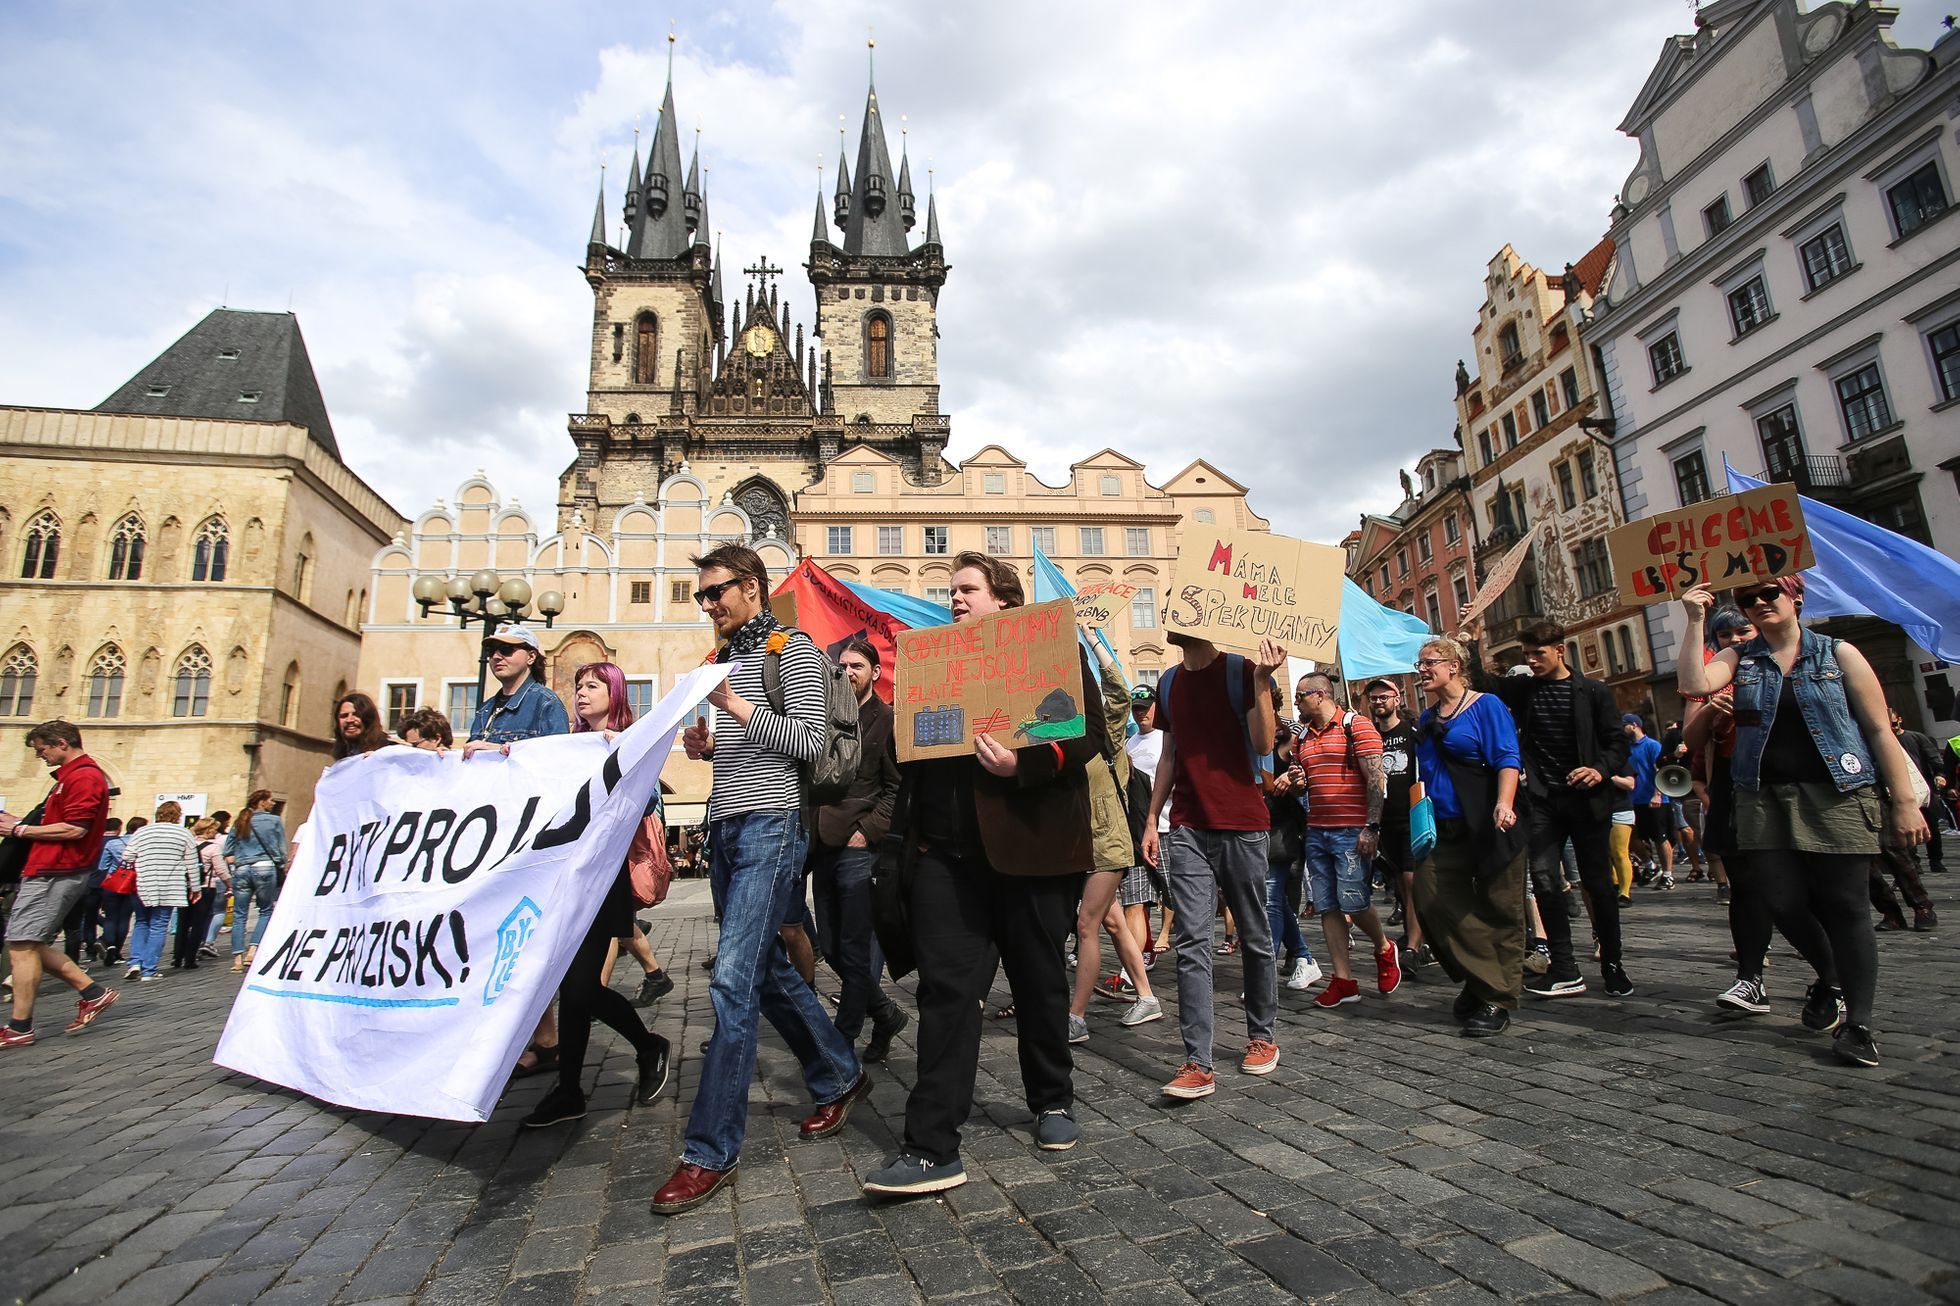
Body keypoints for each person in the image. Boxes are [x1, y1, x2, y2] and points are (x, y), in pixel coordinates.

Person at [860, 553, 1104, 1197]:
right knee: (946, 994)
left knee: (1039, 981)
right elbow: (911, 755)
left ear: (1005, 599)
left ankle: (1051, 1100)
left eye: (967, 589)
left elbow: (1087, 736)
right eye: (951, 591)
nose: (955, 599)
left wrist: (1020, 765)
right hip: (947, 858)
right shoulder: (932, 660)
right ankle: (932, 1145)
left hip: (1032, 854)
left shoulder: (1051, 651)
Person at [653, 544, 864, 1215]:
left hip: (775, 824)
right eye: (701, 595)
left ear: (751, 587)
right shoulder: (726, 661)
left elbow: (808, 743)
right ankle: (836, 1072)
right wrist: (712, 745)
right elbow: (754, 744)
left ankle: (708, 1151)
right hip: (728, 824)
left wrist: (734, 708)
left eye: (715, 592)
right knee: (766, 971)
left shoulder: (790, 647)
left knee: (731, 980)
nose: (708, 604)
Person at [1676, 576, 1929, 1067]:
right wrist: (1693, 619)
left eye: (1768, 594)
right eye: (1748, 600)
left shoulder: (1840, 654)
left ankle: (1858, 1024)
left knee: (1845, 906)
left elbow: (1878, 729)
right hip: (1762, 798)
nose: (1758, 604)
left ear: (1795, 598)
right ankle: (1830, 978)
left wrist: (1903, 801)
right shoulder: (1741, 659)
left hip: (1836, 794)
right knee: (1781, 901)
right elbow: (1692, 684)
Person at [524, 662, 673, 1127]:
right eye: (578, 687)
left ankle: (639, 1052)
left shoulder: (630, 740)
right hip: (562, 880)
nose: (581, 693)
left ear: (615, 692)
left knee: (580, 988)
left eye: (592, 686)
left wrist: (623, 761)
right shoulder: (566, 747)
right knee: (575, 988)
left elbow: (649, 802)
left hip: (602, 881)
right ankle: (573, 1087)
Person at [1142, 630, 1287, 1099]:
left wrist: (1263, 681)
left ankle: (1262, 1036)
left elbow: (1264, 744)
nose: (1168, 613)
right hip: (1186, 826)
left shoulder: (1240, 671)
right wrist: (1151, 820)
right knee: (1191, 943)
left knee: (1254, 933)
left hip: (1242, 824)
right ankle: (1197, 1062)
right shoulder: (1168, 682)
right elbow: (1169, 756)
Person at [1487, 623, 1633, 1000]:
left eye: (1539, 654)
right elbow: (1485, 682)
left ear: (1560, 650)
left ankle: (1613, 964)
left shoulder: (1594, 691)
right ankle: (1565, 968)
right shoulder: (1525, 690)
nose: (1532, 661)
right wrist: (1470, 641)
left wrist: (1599, 769)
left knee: (1598, 884)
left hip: (1587, 799)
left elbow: (1617, 744)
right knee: (1545, 878)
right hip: (1543, 800)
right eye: (1527, 655)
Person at [1410, 638, 1526, 1037]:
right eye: (1419, 663)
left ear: (1455, 666)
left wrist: (1505, 803)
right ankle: (1482, 978)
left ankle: (1497, 997)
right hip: (1440, 827)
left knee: (1501, 908)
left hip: (1490, 821)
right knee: (1429, 898)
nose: (1422, 669)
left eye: (1429, 662)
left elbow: (1507, 757)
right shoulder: (1427, 718)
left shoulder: (1485, 706)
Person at [807, 639, 910, 1062]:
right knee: (830, 946)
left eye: (856, 665)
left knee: (853, 948)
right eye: (841, 665)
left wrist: (867, 831)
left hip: (859, 846)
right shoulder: (822, 718)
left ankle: (841, 1041)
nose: (847, 671)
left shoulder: (886, 721)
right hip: (821, 844)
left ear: (874, 672)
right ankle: (885, 1015)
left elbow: (897, 786)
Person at [1068, 632, 1163, 1043]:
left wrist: (1093, 643)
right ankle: (1146, 996)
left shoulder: (1102, 731)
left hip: (1107, 839)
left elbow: (1120, 695)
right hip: (1077, 839)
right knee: (1110, 920)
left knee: (1086, 924)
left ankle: (1076, 1015)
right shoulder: (1054, 727)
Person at [1, 721, 118, 1048]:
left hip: (57, 869)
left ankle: (20, 1026)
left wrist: (20, 831)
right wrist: (20, 824)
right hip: (51, 867)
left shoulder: (83, 777)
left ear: (62, 743)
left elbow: (75, 829)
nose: (41, 756)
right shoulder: (71, 777)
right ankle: (93, 993)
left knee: (22, 944)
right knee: (27, 942)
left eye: (43, 749)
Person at [1291, 672, 1396, 1008]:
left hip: (1351, 830)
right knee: (1328, 906)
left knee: (1354, 901)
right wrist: (1297, 780)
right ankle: (1344, 980)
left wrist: (1372, 827)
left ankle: (1383, 946)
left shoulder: (1357, 726)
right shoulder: (1302, 737)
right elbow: (1305, 784)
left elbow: (1376, 779)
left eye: (1301, 695)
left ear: (1321, 695)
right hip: (1317, 830)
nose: (1297, 701)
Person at [1364, 679, 1428, 967]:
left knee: (1411, 879)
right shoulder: (1369, 735)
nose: (1378, 702)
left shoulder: (1413, 732)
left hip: (1412, 814)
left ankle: (1415, 946)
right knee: (1399, 883)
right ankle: (1413, 934)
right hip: (1382, 819)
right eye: (1374, 698)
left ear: (1397, 698)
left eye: (1384, 697)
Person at [1261, 693, 1320, 994]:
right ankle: (1302, 954)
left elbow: (1307, 780)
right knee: (1275, 901)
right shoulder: (1245, 734)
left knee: (1273, 897)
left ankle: (1265, 972)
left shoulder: (1293, 737)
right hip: (1252, 829)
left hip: (1283, 830)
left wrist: (1294, 780)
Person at [1871, 709, 1941, 930]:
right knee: (1863, 864)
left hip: (1877, 792)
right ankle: (1890, 912)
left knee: (1895, 852)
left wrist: (1903, 800)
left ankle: (1922, 906)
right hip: (1838, 795)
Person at [121, 801, 200, 982]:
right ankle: (149, 970)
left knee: (141, 922)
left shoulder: (143, 831)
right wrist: (195, 888)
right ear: (177, 815)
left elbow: (127, 856)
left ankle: (135, 962)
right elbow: (191, 864)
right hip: (169, 884)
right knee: (158, 925)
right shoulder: (184, 833)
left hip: (143, 882)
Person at [1123, 687, 1169, 965]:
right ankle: (1136, 964)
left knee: (1178, 897)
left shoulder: (1166, 739)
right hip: (1137, 832)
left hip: (1166, 828)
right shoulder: (1129, 744)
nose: (1140, 712)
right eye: (1136, 708)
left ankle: (1187, 950)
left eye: (1145, 707)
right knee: (1135, 900)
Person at [467, 625, 570, 750]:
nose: (496, 657)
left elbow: (557, 756)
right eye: (491, 651)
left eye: (506, 649)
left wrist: (500, 750)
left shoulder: (545, 703)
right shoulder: (485, 709)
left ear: (531, 657)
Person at [226, 791, 288, 974]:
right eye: (270, 800)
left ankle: (237, 958)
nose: (272, 803)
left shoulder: (241, 820)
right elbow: (279, 849)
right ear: (261, 802)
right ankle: (253, 951)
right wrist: (280, 863)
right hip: (264, 867)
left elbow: (228, 850)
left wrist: (240, 858)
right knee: (266, 910)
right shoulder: (274, 821)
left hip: (242, 869)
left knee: (239, 915)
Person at [1623, 715, 1674, 887]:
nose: (1622, 729)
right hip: (1634, 800)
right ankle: (1650, 865)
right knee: (1632, 837)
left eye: (1624, 726)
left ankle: (1668, 875)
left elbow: (1660, 770)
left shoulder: (1652, 745)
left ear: (1634, 725)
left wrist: (1657, 794)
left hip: (1655, 799)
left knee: (1660, 838)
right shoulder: (1626, 748)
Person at [173, 817, 228, 969]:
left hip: (185, 886)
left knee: (182, 923)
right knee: (198, 924)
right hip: (205, 887)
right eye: (214, 830)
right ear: (209, 830)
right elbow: (221, 870)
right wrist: (229, 885)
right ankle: (190, 959)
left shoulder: (186, 845)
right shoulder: (213, 848)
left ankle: (177, 957)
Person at [99, 815, 144, 968]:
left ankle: (110, 945)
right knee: (125, 918)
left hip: (114, 882)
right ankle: (117, 951)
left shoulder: (113, 843)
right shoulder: (142, 844)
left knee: (111, 917)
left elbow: (102, 865)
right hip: (132, 883)